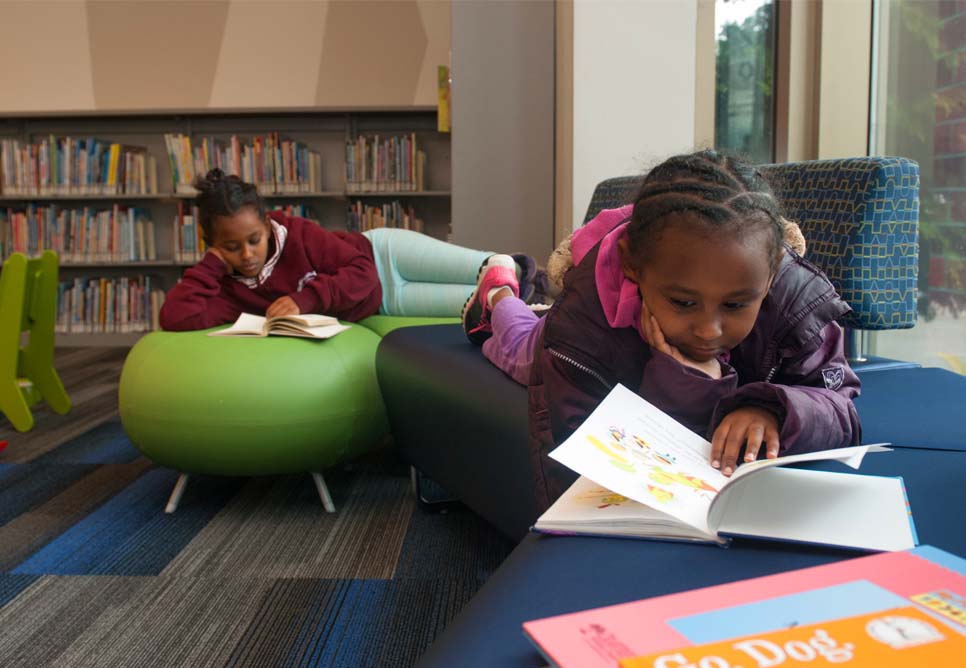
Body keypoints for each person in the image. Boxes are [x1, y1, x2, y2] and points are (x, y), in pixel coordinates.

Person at [461, 150, 861, 509]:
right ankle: (499, 291)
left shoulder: (796, 301)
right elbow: (576, 465)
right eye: (684, 302)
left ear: (772, 272)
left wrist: (774, 409)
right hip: (580, 324)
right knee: (517, 348)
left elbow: (842, 409)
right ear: (632, 265)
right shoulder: (580, 331)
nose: (708, 330)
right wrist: (688, 384)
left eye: (736, 304)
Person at [160, 169, 536, 331]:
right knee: (484, 301)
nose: (246, 255)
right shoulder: (227, 285)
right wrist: (211, 266)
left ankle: (524, 273)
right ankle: (530, 300)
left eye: (253, 239)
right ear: (213, 245)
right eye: (230, 247)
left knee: (494, 267)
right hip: (384, 302)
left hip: (382, 256)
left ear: (265, 225)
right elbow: (176, 317)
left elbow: (362, 271)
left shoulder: (296, 233)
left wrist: (307, 298)